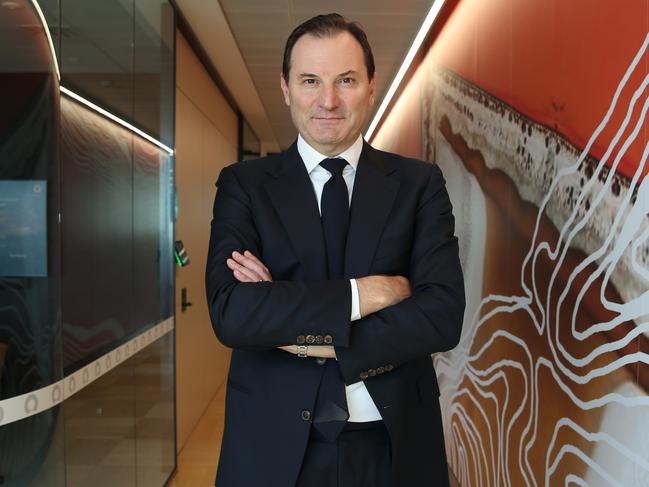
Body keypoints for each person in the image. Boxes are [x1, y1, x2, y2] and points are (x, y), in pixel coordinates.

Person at [205, 13, 465, 487]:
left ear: (371, 86)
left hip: (394, 447)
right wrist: (361, 296)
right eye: (310, 81)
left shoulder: (419, 185)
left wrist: (299, 330)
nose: (328, 100)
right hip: (272, 448)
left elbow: (442, 315)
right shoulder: (244, 186)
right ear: (285, 87)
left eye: (345, 80)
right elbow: (232, 312)